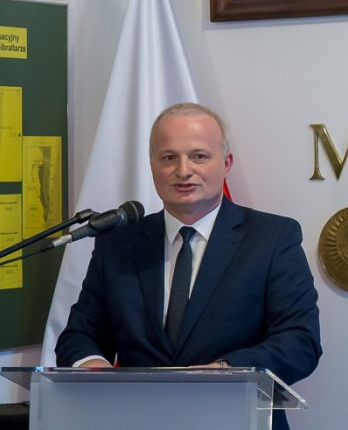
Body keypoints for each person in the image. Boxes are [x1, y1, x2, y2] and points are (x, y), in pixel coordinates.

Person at [56, 102, 322, 430]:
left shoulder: (272, 239)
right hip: (137, 420)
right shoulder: (119, 243)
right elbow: (79, 335)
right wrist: (93, 367)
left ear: (226, 164)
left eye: (199, 156)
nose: (183, 170)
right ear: (152, 166)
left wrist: (226, 372)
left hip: (237, 419)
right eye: (169, 157)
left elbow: (300, 342)